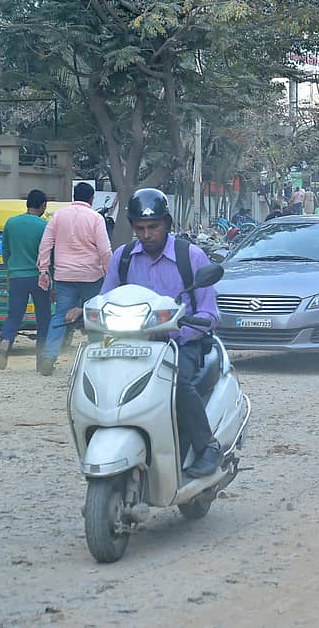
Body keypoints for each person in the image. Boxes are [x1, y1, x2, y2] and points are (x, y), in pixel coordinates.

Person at [101, 188, 223, 479]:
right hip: (134, 345)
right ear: (132, 226)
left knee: (176, 384)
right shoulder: (123, 257)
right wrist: (86, 314)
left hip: (181, 344)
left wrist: (182, 328)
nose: (147, 234)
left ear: (167, 223)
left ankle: (207, 446)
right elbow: (105, 299)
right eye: (140, 228)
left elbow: (209, 313)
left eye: (153, 227)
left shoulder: (190, 256)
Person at [37, 182, 111, 375]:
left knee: (60, 315)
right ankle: (97, 356)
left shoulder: (58, 216)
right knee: (94, 315)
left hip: (64, 275)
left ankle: (48, 356)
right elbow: (104, 249)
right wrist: (110, 272)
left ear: (73, 196)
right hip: (91, 275)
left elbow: (46, 243)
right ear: (91, 199)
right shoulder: (96, 218)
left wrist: (44, 268)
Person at [0, 190, 51, 372]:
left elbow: (5, 250)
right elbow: (48, 253)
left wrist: (9, 269)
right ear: (43, 205)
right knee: (43, 318)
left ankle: (5, 341)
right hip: (38, 277)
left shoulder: (11, 223)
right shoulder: (44, 225)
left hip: (17, 276)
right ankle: (42, 358)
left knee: (14, 316)